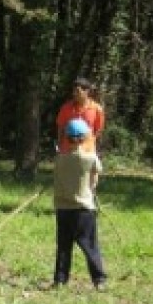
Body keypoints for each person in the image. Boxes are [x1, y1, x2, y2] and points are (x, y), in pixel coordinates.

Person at [53, 118, 107, 289]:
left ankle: (60, 280)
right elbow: (94, 181)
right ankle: (99, 280)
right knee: (90, 245)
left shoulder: (59, 159)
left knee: (63, 246)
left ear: (66, 138)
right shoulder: (90, 159)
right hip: (83, 210)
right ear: (85, 138)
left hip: (63, 209)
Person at [56, 77, 105, 154]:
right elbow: (61, 128)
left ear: (87, 91)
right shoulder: (65, 108)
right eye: (74, 91)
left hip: (87, 151)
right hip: (67, 150)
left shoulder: (97, 109)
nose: (74, 94)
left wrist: (91, 142)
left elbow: (98, 130)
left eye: (78, 91)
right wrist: (59, 145)